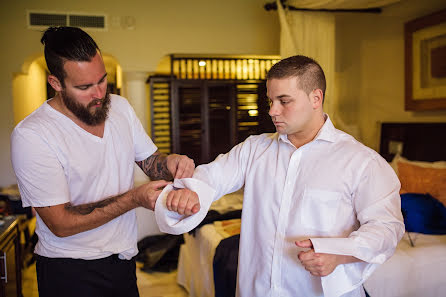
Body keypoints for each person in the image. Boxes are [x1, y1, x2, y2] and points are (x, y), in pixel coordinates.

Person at [161, 55, 404, 297]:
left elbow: (387, 227)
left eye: (284, 101)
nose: (272, 111)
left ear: (316, 98)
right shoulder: (254, 149)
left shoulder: (362, 162)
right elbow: (211, 176)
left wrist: (340, 253)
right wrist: (189, 191)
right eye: (270, 101)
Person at [10, 26, 199, 297]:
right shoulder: (33, 135)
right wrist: (134, 198)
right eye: (85, 87)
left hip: (122, 260)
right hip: (69, 271)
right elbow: (60, 223)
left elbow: (150, 162)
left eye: (102, 80)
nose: (99, 93)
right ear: (56, 83)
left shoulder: (120, 107)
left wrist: (170, 163)